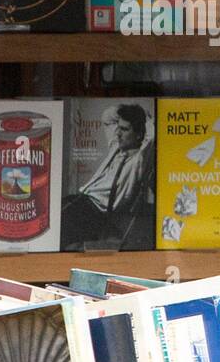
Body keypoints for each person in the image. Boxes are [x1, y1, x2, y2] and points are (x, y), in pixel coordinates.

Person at [60, 103, 155, 251]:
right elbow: (107, 116)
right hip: (81, 200)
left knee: (56, 225)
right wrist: (126, 110)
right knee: (49, 218)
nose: (118, 133)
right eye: (119, 127)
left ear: (139, 134)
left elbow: (152, 136)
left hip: (95, 211)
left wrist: (146, 117)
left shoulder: (139, 161)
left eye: (124, 129)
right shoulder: (116, 147)